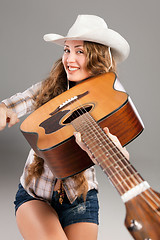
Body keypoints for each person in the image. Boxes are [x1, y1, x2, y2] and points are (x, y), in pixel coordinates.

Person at [0, 15, 130, 240]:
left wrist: (116, 152)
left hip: (81, 200)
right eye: (67, 50)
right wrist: (3, 110)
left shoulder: (111, 100)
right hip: (35, 196)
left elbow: (118, 156)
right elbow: (15, 103)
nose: (69, 58)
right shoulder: (50, 87)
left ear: (97, 57)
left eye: (79, 51)